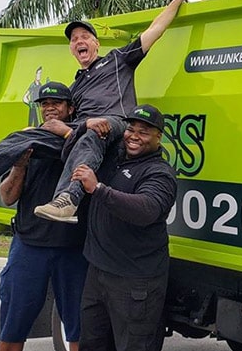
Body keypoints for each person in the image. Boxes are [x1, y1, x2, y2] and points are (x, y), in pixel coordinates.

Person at [0, 0, 213, 224]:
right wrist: (42, 131)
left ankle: (68, 199)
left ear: (96, 44)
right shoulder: (74, 88)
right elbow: (68, 125)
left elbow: (155, 30)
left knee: (95, 129)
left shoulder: (118, 60)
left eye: (85, 36)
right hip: (83, 132)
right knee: (24, 136)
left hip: (114, 123)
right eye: (74, 39)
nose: (79, 41)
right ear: (72, 49)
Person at [71, 104, 177, 351]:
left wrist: (98, 189)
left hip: (135, 283)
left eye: (144, 131)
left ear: (159, 137)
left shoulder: (160, 173)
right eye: (131, 129)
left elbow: (146, 210)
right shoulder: (114, 160)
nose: (134, 136)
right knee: (92, 344)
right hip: (98, 274)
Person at [0, 81, 88, 351]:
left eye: (56, 104)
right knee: (13, 324)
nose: (50, 108)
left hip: (73, 249)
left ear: (70, 109)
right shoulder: (27, 141)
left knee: (79, 329)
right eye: (45, 104)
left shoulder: (84, 145)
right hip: (29, 247)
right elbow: (8, 196)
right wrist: (19, 166)